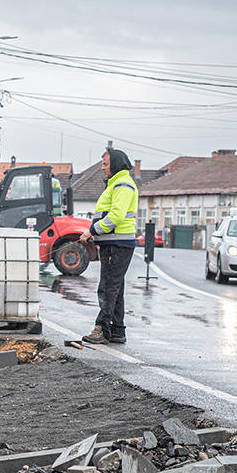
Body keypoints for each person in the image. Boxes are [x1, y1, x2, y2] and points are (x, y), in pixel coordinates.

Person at [80, 148, 138, 345]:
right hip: (115, 243)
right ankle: (117, 330)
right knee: (116, 287)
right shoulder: (116, 184)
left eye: (105, 164)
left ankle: (101, 329)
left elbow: (116, 216)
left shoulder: (122, 185)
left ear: (115, 164)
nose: (102, 168)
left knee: (107, 287)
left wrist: (92, 231)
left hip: (117, 244)